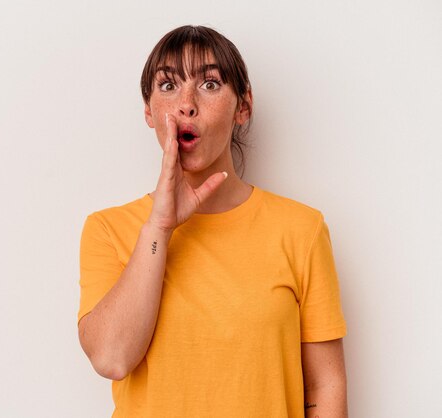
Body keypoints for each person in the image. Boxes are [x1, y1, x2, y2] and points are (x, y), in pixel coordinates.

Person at [77, 25, 348, 417]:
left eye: (209, 83)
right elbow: (111, 358)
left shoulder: (301, 230)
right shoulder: (108, 229)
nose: (186, 103)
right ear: (149, 112)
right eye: (168, 86)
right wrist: (159, 227)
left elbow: (325, 385)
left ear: (243, 106)